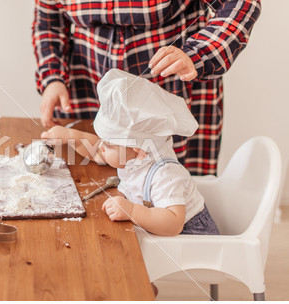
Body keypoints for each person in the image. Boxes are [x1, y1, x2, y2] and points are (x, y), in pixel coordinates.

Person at [33, 0, 262, 176]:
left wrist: (199, 51)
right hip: (89, 86)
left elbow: (241, 4)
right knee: (91, 181)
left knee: (170, 191)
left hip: (172, 85)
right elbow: (49, 20)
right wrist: (53, 76)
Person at [41, 69, 219, 236]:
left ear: (137, 150)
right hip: (156, 226)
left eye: (109, 144)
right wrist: (70, 136)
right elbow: (97, 152)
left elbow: (173, 223)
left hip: (191, 240)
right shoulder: (133, 156)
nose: (101, 146)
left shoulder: (165, 174)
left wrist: (131, 211)